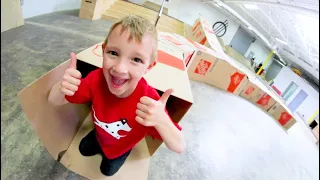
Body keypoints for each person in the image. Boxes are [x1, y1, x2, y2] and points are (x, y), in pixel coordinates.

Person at [48, 15, 185, 176]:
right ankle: (98, 139)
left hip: (120, 149)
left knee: (107, 171)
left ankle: (118, 155)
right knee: (83, 150)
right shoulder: (95, 79)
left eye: (136, 59)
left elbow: (180, 146)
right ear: (103, 51)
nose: (120, 69)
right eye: (113, 53)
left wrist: (162, 120)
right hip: (99, 134)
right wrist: (61, 87)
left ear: (149, 66)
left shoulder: (149, 102)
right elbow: (53, 101)